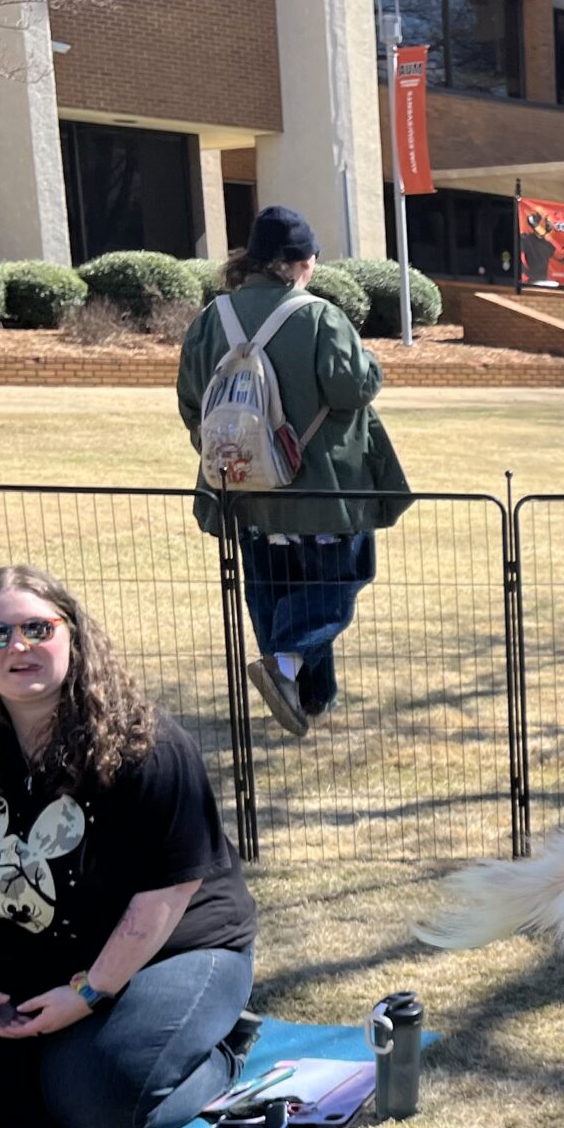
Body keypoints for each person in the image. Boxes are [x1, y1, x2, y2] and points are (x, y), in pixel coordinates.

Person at [0, 565, 258, 1128]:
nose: (18, 646)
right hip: (22, 952)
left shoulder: (148, 745)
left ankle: (220, 1053)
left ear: (72, 634)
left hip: (172, 949)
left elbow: (169, 893)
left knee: (97, 1102)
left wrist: (89, 993)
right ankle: (61, 1058)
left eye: (38, 628)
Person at [176, 204, 411, 738]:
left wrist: (236, 450)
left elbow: (192, 401)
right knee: (341, 578)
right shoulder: (318, 316)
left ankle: (308, 701)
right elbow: (354, 387)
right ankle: (284, 664)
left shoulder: (213, 319)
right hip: (322, 488)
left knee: (274, 587)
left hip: (240, 486)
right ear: (301, 262)